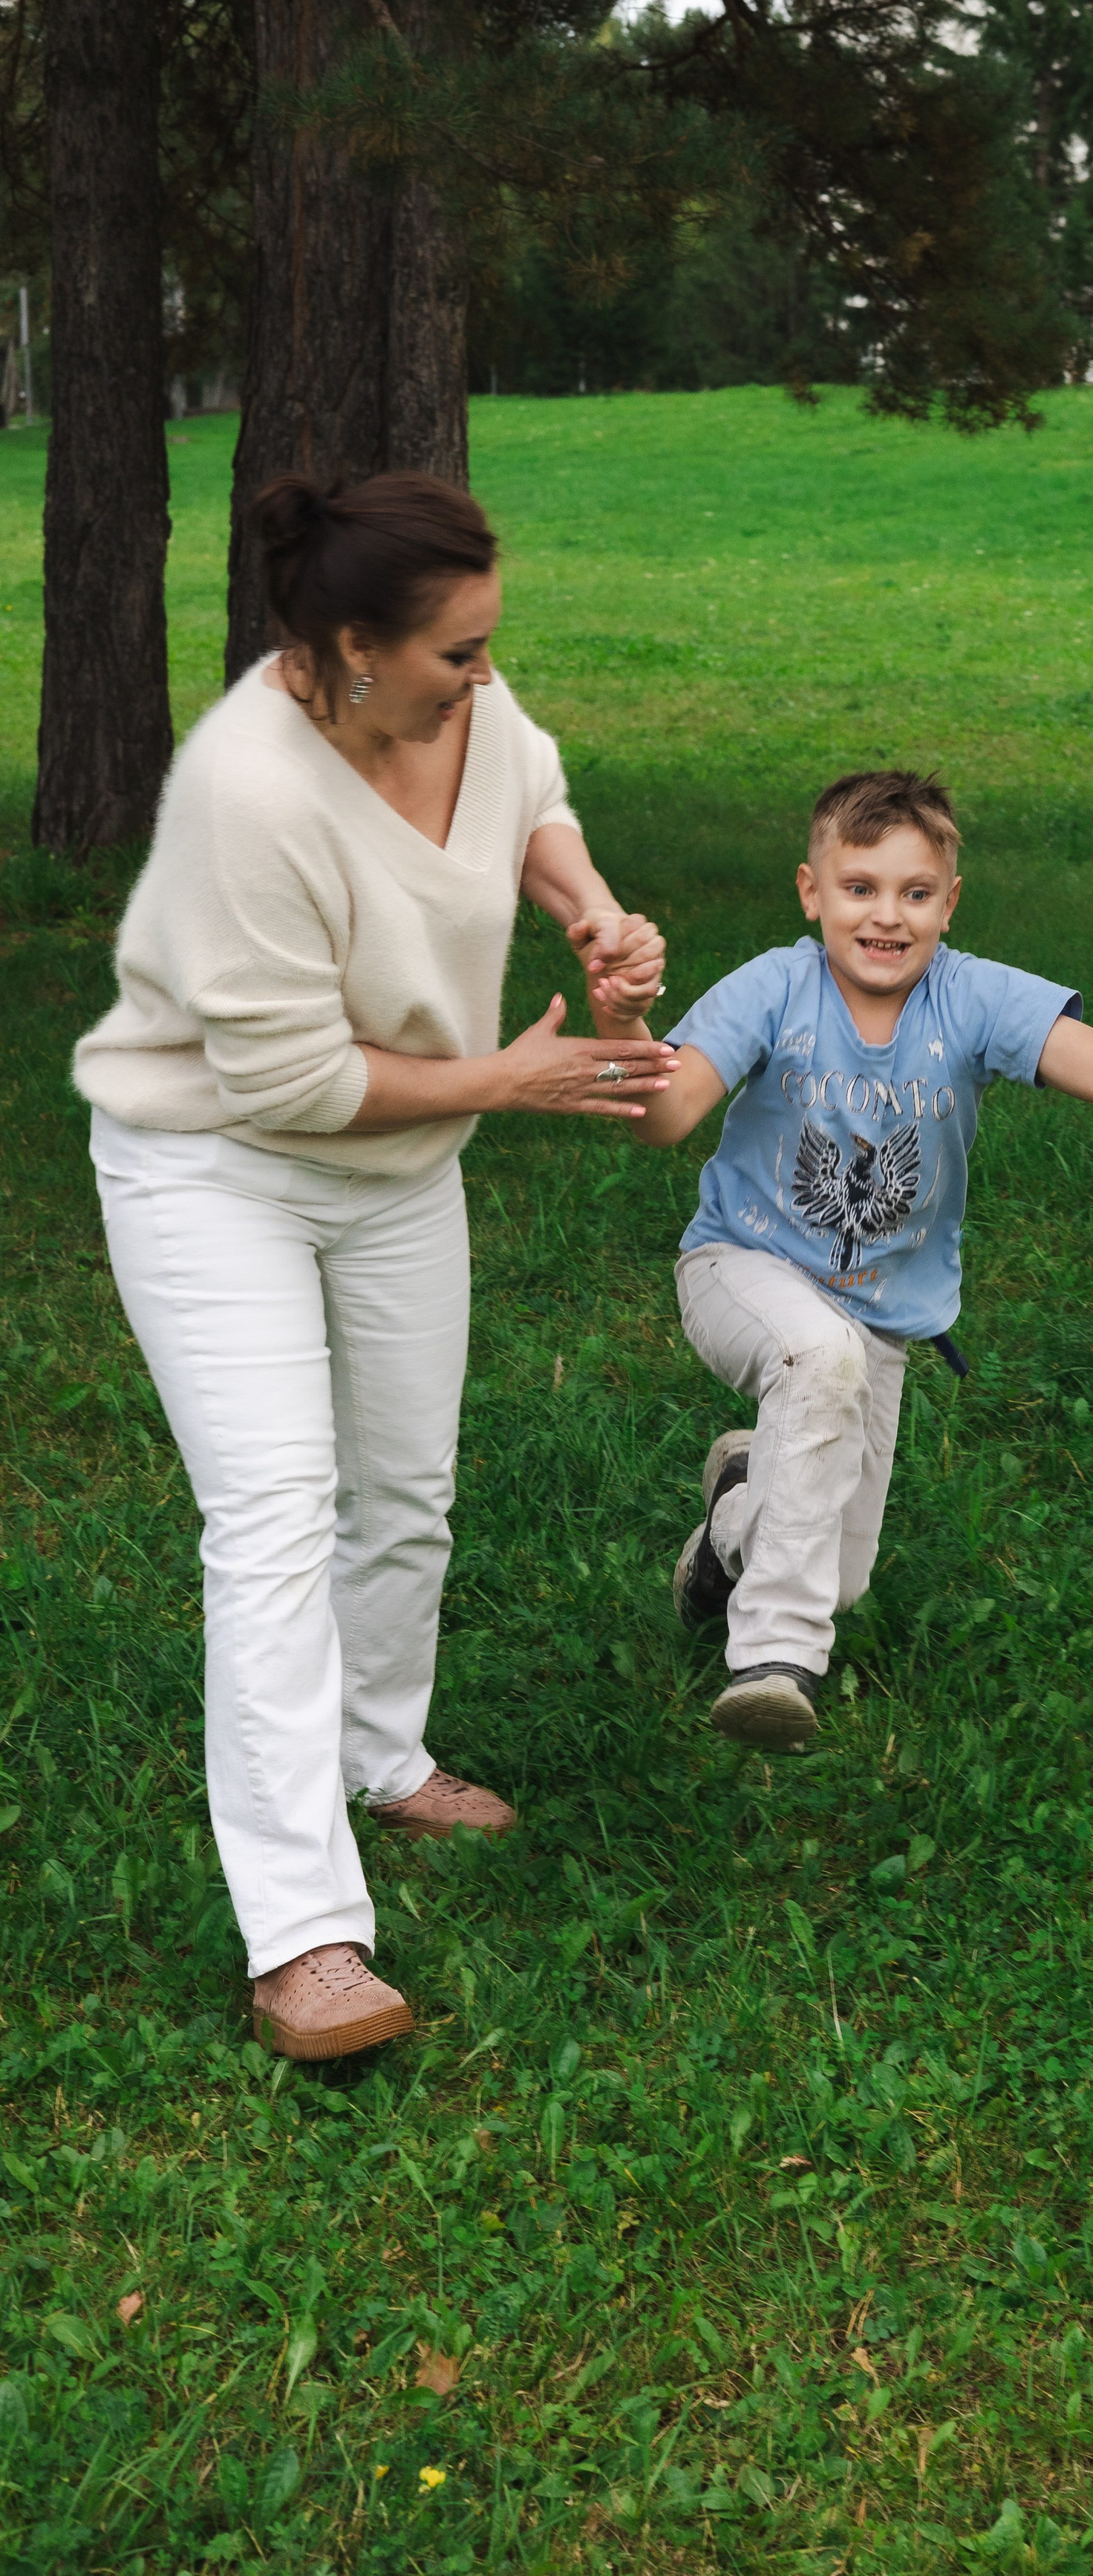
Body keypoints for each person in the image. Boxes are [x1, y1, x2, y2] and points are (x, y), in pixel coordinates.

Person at [74, 472, 677, 2061]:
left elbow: (532, 797)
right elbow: (285, 1085)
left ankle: (382, 1755)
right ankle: (305, 1940)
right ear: (348, 649)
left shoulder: (463, 693)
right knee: (273, 1518)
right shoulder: (247, 792)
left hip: (398, 1168)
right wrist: (508, 1079)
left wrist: (593, 914)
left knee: (405, 1486)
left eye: (488, 646)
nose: (483, 674)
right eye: (456, 655)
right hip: (219, 1165)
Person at [602, 769, 1093, 1750]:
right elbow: (668, 1115)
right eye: (858, 888)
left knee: (838, 1573)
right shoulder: (776, 986)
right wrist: (622, 1025)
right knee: (819, 1363)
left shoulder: (972, 996)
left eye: (915, 892)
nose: (886, 916)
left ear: (951, 902)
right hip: (739, 1269)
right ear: (812, 893)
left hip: (880, 1317)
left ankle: (737, 1518)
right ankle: (774, 1659)